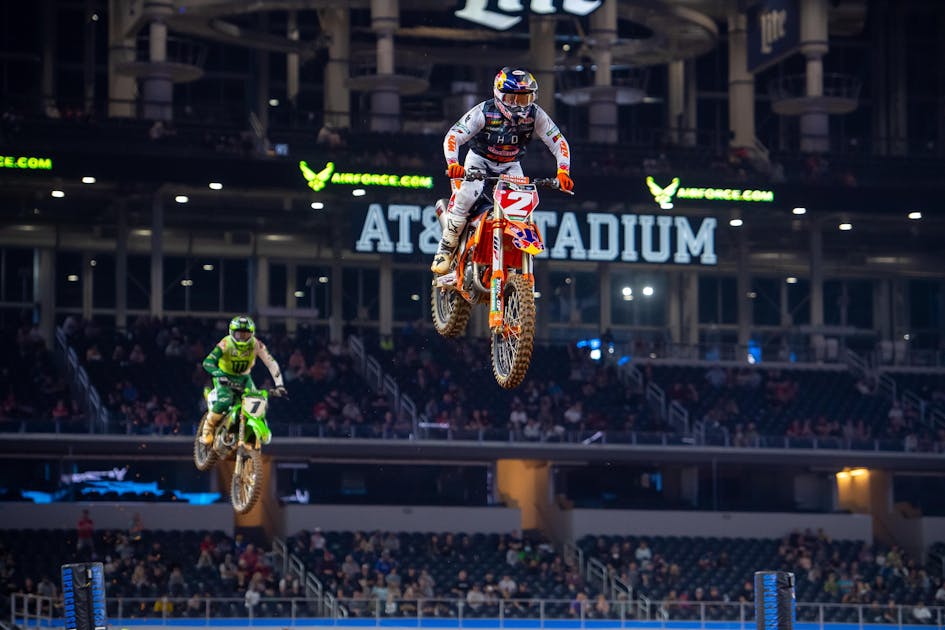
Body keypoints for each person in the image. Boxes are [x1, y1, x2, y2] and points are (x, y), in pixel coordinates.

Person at [431, 66, 574, 274]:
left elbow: (558, 141)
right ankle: (447, 246)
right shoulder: (483, 111)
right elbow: (454, 135)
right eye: (512, 99)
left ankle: (511, 260)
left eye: (523, 99)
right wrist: (453, 163)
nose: (518, 105)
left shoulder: (536, 114)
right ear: (499, 95)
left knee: (520, 212)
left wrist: (563, 171)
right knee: (467, 195)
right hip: (479, 160)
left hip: (510, 165)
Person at [200, 316, 286, 444]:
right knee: (225, 401)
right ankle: (207, 430)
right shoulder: (225, 343)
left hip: (244, 378)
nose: (242, 337)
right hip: (224, 376)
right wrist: (218, 374)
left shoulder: (256, 344)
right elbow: (208, 362)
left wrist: (279, 385)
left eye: (245, 334)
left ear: (252, 333)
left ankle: (256, 431)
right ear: (231, 332)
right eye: (238, 333)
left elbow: (271, 363)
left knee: (257, 402)